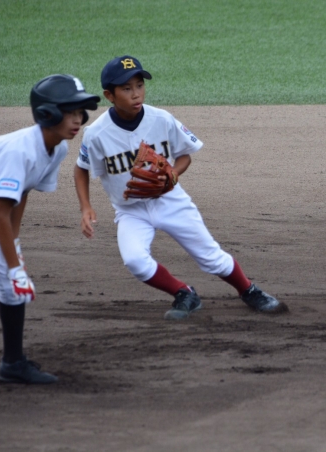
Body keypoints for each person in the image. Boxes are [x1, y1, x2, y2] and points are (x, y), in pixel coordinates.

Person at [74, 55, 287, 320]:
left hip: (170, 201)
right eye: (126, 89)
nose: (136, 94)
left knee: (211, 258)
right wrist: (85, 207)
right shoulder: (96, 133)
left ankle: (248, 290)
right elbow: (81, 168)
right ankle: (184, 293)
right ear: (109, 95)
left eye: (139, 85)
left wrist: (172, 174)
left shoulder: (161, 119)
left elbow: (185, 155)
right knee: (135, 261)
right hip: (131, 211)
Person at [0, 74, 100, 384]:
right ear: (47, 113)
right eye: (70, 112)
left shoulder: (57, 149)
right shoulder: (20, 151)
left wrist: (14, 247)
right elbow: (0, 215)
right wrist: (15, 266)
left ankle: (13, 364)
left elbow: (22, 192)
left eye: (80, 112)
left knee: (11, 287)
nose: (78, 120)